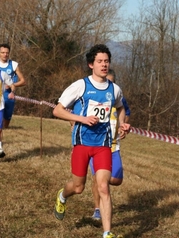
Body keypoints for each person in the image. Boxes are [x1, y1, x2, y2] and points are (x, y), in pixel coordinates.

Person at [52, 44, 130, 238]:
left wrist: (122, 124)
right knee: (78, 187)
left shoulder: (115, 89)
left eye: (106, 61)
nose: (104, 65)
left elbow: (121, 107)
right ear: (91, 64)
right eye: (99, 61)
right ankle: (62, 195)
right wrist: (82, 119)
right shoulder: (81, 86)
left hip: (103, 145)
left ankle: (107, 233)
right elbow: (57, 110)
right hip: (82, 144)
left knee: (103, 186)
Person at [90, 69, 131, 221]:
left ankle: (104, 185)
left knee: (116, 180)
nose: (108, 84)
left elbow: (126, 113)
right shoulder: (92, 94)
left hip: (114, 145)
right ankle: (97, 209)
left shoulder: (118, 96)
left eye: (111, 81)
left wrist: (123, 127)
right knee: (97, 178)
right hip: (95, 144)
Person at [0, 43, 26, 158]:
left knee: (5, 124)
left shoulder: (13, 65)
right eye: (2, 52)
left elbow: (23, 81)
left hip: (9, 98)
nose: (5, 54)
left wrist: (12, 85)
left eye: (7, 52)